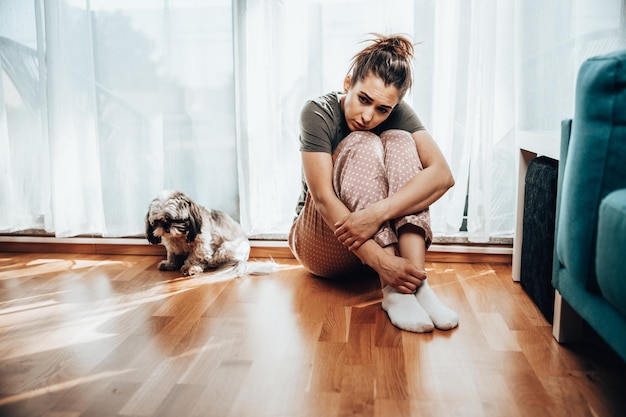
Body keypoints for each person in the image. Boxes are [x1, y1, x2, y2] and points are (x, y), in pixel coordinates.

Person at [288, 33, 458, 333]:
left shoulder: (395, 113)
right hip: (324, 241)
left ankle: (416, 283)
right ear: (347, 83)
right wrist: (383, 263)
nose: (369, 115)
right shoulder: (317, 112)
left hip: (372, 242)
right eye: (363, 99)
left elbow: (442, 175)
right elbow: (325, 200)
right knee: (363, 142)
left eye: (383, 109)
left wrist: (376, 215)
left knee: (402, 140)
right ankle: (395, 291)